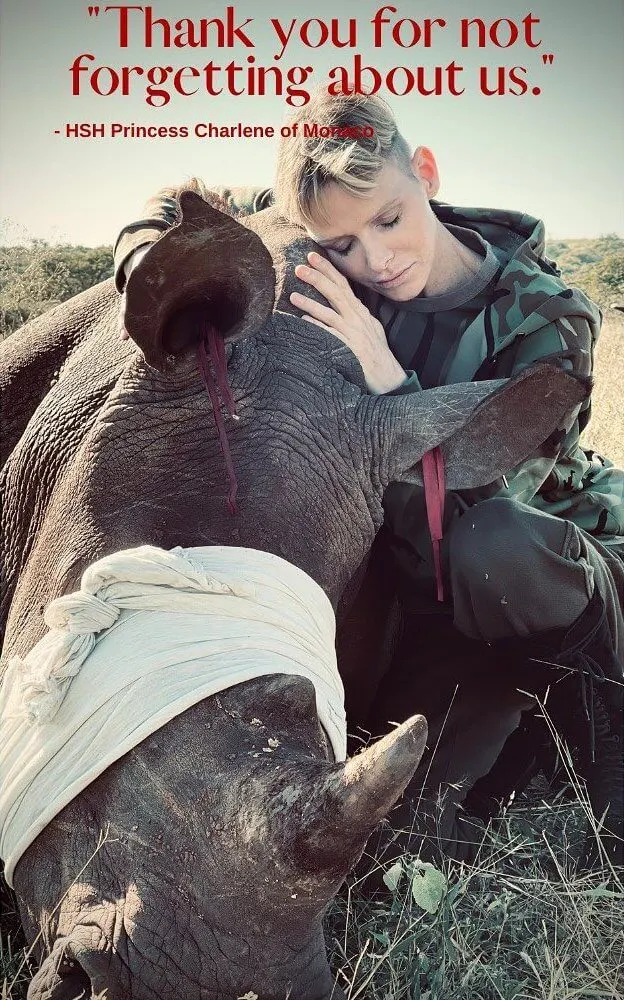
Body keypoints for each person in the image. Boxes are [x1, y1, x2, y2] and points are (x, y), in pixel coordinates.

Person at [113, 90, 623, 864]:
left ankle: (600, 724)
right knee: (380, 835)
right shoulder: (326, 216)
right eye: (343, 245)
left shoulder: (549, 320)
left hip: (524, 571)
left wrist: (392, 388)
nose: (376, 260)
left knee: (496, 553)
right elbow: (169, 203)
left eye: (389, 219)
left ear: (424, 171)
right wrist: (145, 263)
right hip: (411, 580)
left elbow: (482, 506)